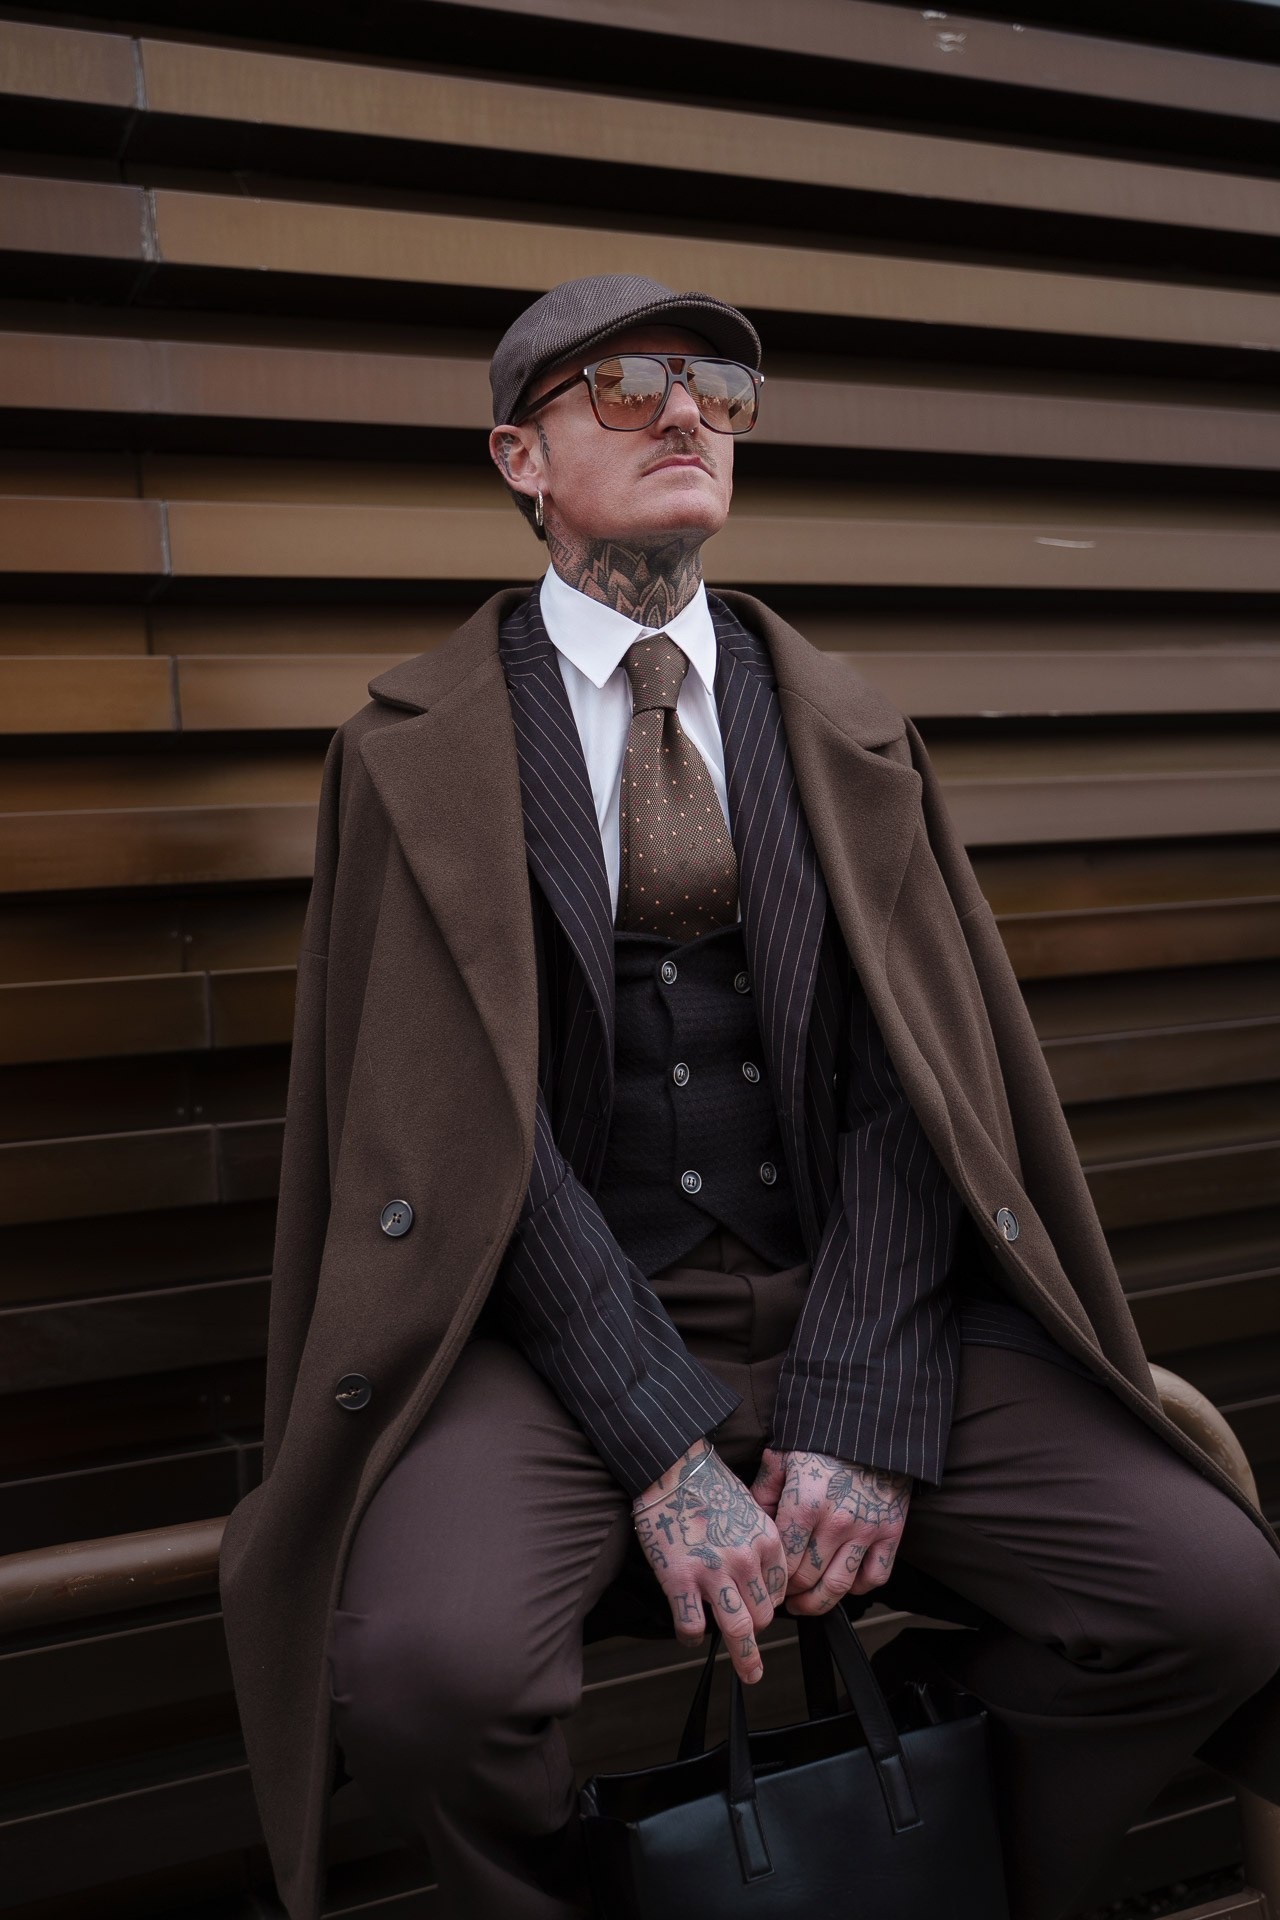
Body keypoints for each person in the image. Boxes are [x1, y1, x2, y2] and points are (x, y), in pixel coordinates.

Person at [217, 274, 1280, 1920]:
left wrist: (858, 1394)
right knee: (431, 1683)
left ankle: (956, 1881)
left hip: (851, 1298)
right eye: (626, 388)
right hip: (549, 1337)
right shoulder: (405, 752)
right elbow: (434, 1134)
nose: (692, 410)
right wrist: (657, 1439)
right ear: (521, 455)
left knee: (1209, 1593)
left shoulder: (851, 726)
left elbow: (931, 1089)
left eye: (718, 383)